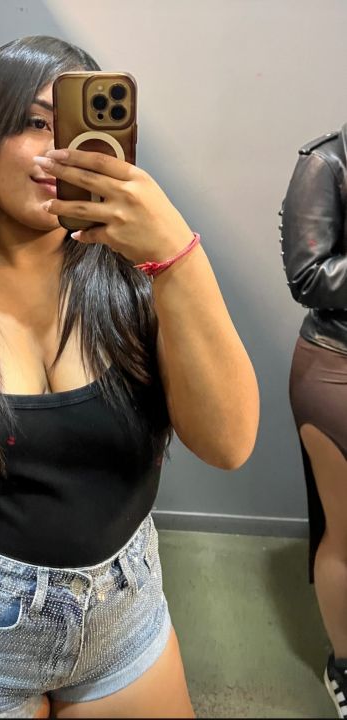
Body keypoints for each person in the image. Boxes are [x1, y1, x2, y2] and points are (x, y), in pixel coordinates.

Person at [0, 36, 259, 719]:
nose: (62, 151)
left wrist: (177, 256)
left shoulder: (144, 289)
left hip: (124, 618)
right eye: (35, 122)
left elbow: (229, 443)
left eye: (80, 127)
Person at [281, 122, 347, 718]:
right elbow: (308, 276)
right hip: (336, 366)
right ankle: (344, 665)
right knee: (346, 534)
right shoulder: (327, 163)